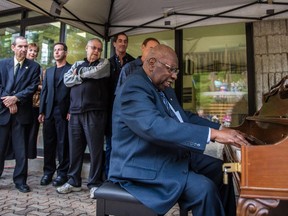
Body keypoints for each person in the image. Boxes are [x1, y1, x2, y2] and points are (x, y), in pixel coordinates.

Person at [108, 44, 250, 216]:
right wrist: (212, 135)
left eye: (177, 71)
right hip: (143, 165)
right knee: (205, 189)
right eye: (171, 70)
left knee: (224, 170)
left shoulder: (162, 87)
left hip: (168, 156)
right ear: (152, 63)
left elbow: (184, 117)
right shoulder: (134, 87)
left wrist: (221, 128)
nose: (174, 76)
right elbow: (154, 126)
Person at [57, 38, 110, 197]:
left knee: (95, 151)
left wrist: (78, 75)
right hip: (74, 113)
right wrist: (82, 75)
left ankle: (94, 183)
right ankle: (73, 181)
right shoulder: (77, 63)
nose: (96, 51)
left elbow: (97, 73)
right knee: (75, 149)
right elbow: (66, 80)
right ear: (86, 48)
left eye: (99, 49)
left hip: (95, 113)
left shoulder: (104, 63)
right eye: (93, 48)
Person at [0, 36, 40, 193]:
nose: (24, 49)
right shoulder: (2, 64)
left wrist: (16, 98)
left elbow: (32, 88)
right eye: (20, 46)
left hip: (22, 113)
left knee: (21, 149)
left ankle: (20, 181)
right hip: (3, 111)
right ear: (13, 47)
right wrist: (8, 101)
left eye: (25, 47)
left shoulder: (34, 67)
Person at [38, 42, 71, 187]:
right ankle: (48, 172)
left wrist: (71, 110)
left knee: (63, 144)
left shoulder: (71, 69)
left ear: (65, 52)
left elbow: (74, 92)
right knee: (49, 143)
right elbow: (44, 91)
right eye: (55, 50)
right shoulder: (49, 71)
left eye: (60, 50)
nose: (57, 52)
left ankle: (62, 173)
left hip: (64, 112)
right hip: (49, 112)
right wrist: (41, 111)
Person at [105, 32, 135, 177]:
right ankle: (109, 176)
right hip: (111, 110)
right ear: (114, 44)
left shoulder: (133, 63)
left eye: (125, 41)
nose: (123, 43)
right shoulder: (107, 63)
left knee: (127, 144)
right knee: (110, 144)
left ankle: (124, 175)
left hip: (128, 110)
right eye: (120, 41)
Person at [26, 42, 41, 159]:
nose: (33, 53)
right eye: (31, 50)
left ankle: (29, 156)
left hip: (35, 104)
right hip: (21, 103)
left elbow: (41, 85)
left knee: (32, 132)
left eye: (35, 51)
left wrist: (37, 87)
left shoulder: (39, 68)